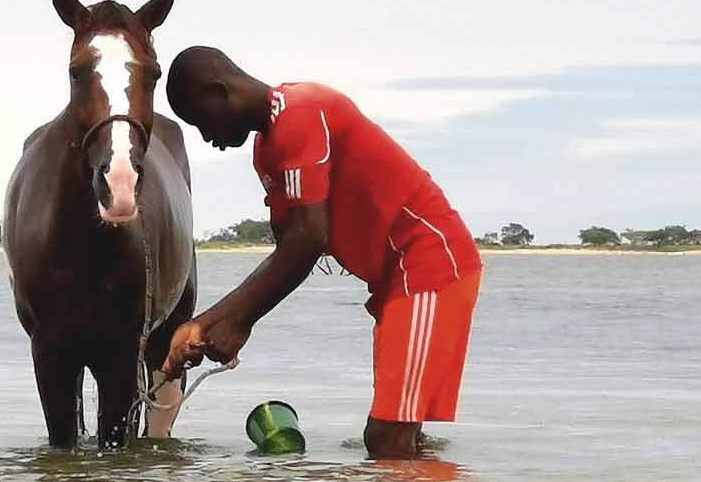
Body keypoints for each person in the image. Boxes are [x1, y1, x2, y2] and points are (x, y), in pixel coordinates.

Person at [161, 46, 481, 458]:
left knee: (387, 438)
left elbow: (308, 241)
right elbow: (286, 253)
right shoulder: (267, 152)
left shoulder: (303, 112)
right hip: (394, 281)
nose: (208, 138)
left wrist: (235, 322)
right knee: (402, 438)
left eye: (202, 121)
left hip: (428, 264)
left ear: (219, 90)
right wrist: (206, 327)